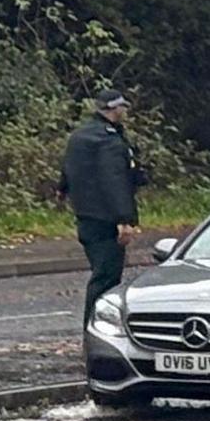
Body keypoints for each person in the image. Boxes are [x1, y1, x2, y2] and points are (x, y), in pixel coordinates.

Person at [57, 89, 147, 321]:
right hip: (107, 220)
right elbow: (114, 180)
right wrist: (125, 219)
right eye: (123, 107)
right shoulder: (110, 142)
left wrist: (63, 192)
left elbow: (67, 171)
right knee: (107, 277)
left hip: (85, 216)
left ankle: (94, 327)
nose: (125, 111)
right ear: (115, 109)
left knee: (100, 271)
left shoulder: (79, 136)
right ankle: (96, 328)